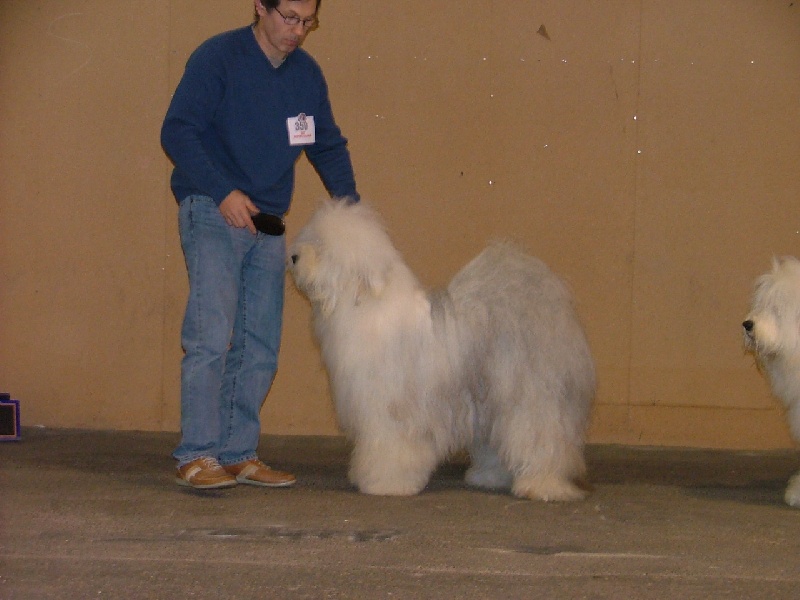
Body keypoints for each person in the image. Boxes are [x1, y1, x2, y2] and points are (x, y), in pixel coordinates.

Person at [161, 0, 359, 489]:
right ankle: (197, 455)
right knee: (210, 338)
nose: (297, 31)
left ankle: (238, 453)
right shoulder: (218, 57)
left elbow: (327, 145)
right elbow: (178, 130)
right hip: (213, 208)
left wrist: (353, 214)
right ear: (260, 7)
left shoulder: (306, 75)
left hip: (270, 220)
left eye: (307, 22)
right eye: (288, 17)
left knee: (260, 345)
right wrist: (222, 191)